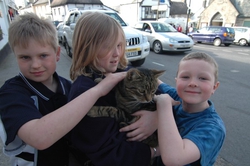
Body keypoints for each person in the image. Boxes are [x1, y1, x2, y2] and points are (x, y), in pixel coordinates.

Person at [0, 13, 126, 166]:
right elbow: (39, 137)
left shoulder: (68, 87)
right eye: (25, 57)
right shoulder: (11, 93)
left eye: (43, 55)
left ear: (58, 53)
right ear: (15, 56)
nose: (35, 65)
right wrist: (98, 90)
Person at [67, 11, 157, 166]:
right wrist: (157, 149)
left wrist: (157, 116)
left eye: (119, 45)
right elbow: (114, 156)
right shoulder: (84, 92)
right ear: (87, 47)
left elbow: (159, 93)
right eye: (108, 47)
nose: (117, 53)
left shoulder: (121, 70)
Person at [121, 52, 226, 165]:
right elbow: (152, 79)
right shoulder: (175, 95)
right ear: (176, 81)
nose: (193, 83)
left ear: (214, 87)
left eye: (203, 78)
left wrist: (163, 105)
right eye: (185, 77)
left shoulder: (213, 128)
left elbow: (174, 159)